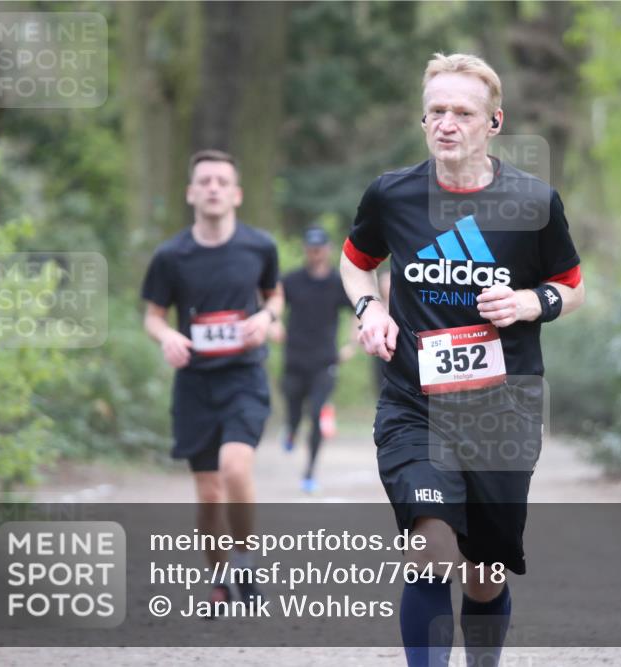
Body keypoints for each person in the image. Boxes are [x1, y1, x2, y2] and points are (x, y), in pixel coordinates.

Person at [340, 54, 585, 666]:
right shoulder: (392, 194)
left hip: (503, 411)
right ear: (423, 120)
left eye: (463, 113)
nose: (447, 123)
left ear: (493, 123)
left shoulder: (533, 202)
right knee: (431, 551)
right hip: (414, 406)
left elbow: (573, 285)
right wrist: (369, 310)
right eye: (437, 111)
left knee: (484, 573)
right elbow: (356, 261)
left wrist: (531, 301)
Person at [141, 149, 282, 610]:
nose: (214, 188)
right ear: (191, 192)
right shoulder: (171, 255)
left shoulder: (259, 246)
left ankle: (244, 562)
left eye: (222, 181)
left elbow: (274, 296)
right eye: (205, 181)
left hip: (244, 376)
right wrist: (166, 338)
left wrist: (265, 318)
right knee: (207, 494)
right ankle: (221, 580)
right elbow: (154, 316)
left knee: (235, 467)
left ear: (237, 193)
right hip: (195, 385)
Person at [270, 226, 355, 493]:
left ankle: (309, 472)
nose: (315, 254)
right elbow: (272, 303)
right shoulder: (292, 280)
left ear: (328, 250)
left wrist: (351, 343)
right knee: (293, 408)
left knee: (317, 413)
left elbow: (358, 311)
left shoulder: (337, 282)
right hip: (294, 358)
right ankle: (291, 430)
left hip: (324, 360)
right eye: (311, 249)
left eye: (319, 249)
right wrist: (274, 326)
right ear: (306, 250)